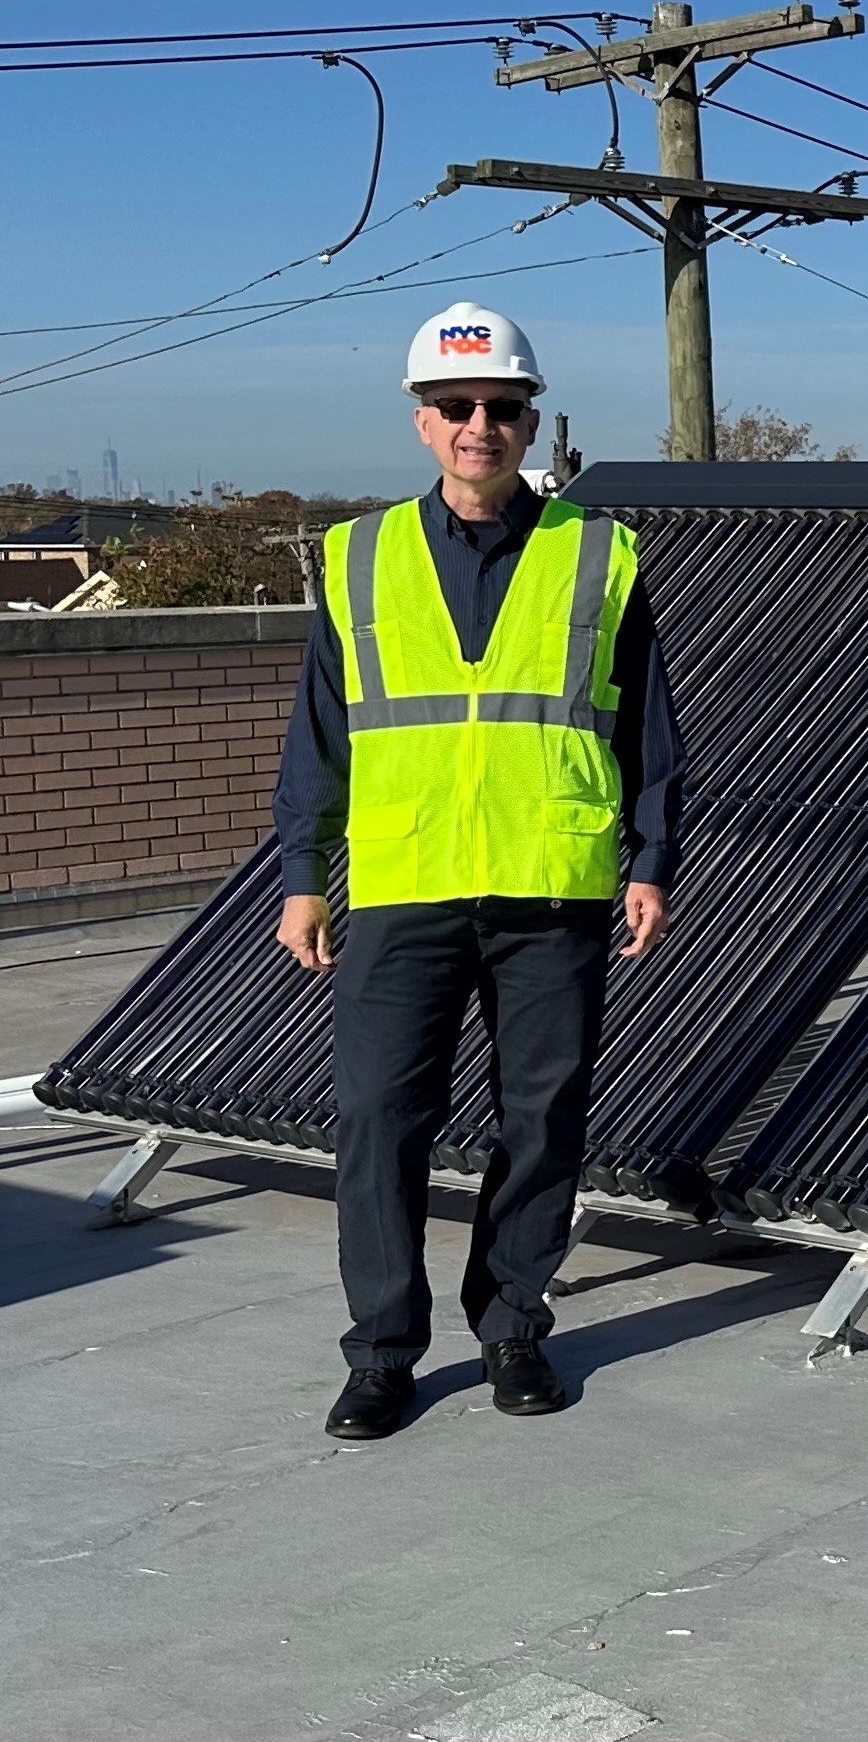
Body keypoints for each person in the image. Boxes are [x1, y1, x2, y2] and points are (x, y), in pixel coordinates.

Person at [272, 304, 680, 1440]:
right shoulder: (357, 557)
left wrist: (653, 858)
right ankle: (383, 1354)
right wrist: (303, 873)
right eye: (456, 407)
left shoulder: (597, 552)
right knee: (376, 1121)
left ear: (530, 421)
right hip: (405, 885)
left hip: (553, 880)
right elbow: (321, 731)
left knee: (542, 1118)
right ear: (421, 421)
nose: (478, 427)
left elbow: (645, 721)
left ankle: (513, 1328)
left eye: (501, 408)